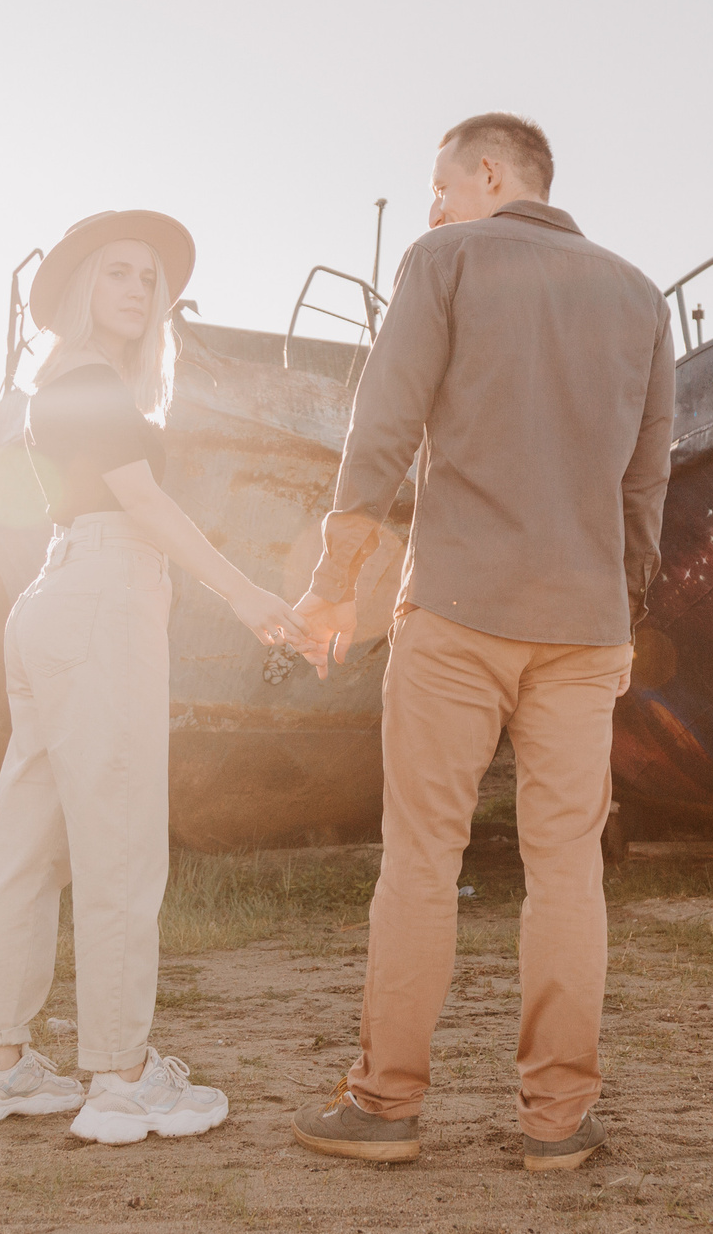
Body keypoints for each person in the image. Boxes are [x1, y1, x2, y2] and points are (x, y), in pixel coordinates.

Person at [287, 114, 674, 1172]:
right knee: (566, 874)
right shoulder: (640, 296)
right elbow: (648, 480)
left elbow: (382, 432)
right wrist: (623, 607)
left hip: (457, 612)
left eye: (440, 183)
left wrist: (335, 585)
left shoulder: (444, 260)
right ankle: (557, 1123)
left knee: (420, 860)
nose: (431, 205)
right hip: (586, 627)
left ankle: (386, 1106)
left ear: (489, 173)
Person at [0, 210, 302, 1143]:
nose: (139, 292)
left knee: (28, 843)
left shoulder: (58, 381)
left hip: (56, 597)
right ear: (79, 290)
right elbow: (140, 501)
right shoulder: (93, 377)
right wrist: (249, 593)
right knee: (121, 844)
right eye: (119, 275)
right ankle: (123, 1076)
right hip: (102, 596)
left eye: (150, 280)